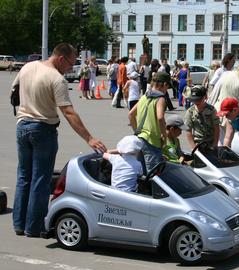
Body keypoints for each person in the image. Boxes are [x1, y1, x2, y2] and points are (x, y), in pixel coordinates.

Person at [11, 43, 106, 237]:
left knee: (23, 177)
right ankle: (34, 227)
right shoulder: (57, 78)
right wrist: (89, 138)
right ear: (61, 58)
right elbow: (68, 112)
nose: (71, 68)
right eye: (71, 63)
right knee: (40, 179)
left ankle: (19, 224)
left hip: (22, 126)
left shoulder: (28, 67)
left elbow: (14, 94)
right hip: (43, 129)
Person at [128, 72, 171, 172]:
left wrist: (137, 131)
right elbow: (160, 118)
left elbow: (130, 114)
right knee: (153, 173)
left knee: (141, 171)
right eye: (167, 87)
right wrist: (164, 137)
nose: (167, 90)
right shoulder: (160, 99)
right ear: (164, 85)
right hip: (152, 141)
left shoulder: (144, 97)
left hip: (140, 139)